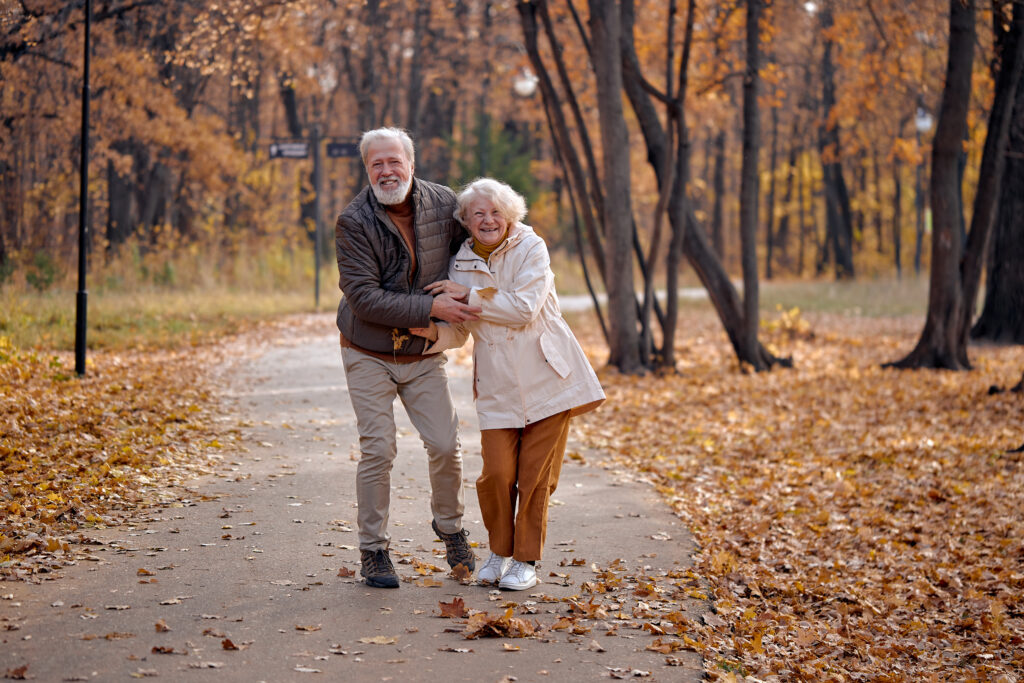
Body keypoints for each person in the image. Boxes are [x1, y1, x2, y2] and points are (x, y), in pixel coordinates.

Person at [410, 177, 605, 591]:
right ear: (464, 220)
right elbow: (462, 329)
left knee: (534, 477)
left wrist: (468, 294)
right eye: (478, 213)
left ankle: (525, 560)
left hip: (549, 378)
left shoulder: (531, 248)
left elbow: (522, 309)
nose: (488, 220)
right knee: (496, 474)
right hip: (496, 382)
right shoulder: (459, 261)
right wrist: (434, 336)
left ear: (511, 216)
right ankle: (499, 552)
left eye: (496, 212)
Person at [334, 127, 481, 589]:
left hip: (421, 352)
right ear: (366, 169)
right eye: (376, 163)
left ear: (411, 164)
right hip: (368, 350)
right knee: (379, 448)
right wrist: (431, 307)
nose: (386, 170)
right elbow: (364, 299)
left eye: (394, 161)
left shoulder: (444, 205)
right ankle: (373, 549)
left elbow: (484, 238)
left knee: (444, 443)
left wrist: (519, 249)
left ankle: (450, 527)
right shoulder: (353, 221)